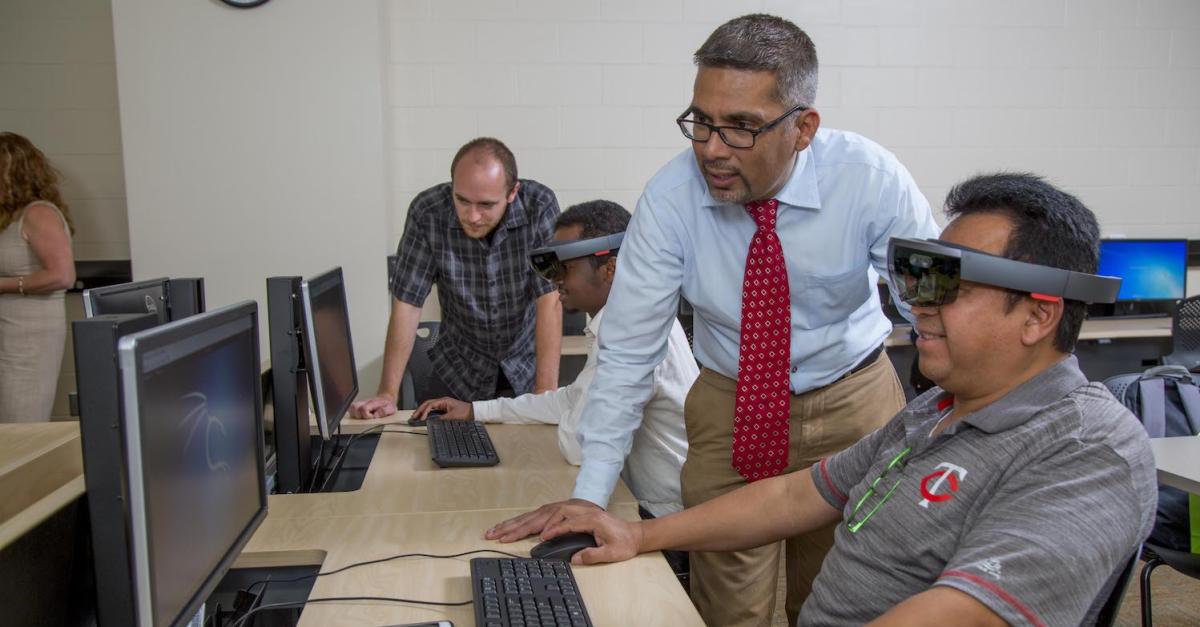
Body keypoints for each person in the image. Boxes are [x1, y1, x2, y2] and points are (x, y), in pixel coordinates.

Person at [542, 173, 1157, 627]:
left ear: (1037, 315)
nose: (918, 302)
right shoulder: (935, 412)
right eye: (917, 274)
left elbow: (965, 613)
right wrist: (637, 536)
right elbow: (796, 494)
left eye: (948, 283)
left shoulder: (1089, 449)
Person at [484, 14, 939, 626]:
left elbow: (940, 308)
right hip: (732, 404)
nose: (713, 150)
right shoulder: (670, 201)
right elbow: (626, 355)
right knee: (728, 608)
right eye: (702, 122)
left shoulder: (873, 181)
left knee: (841, 599)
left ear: (803, 128)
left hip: (852, 402)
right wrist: (589, 501)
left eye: (742, 128)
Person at [412, 200, 698, 524]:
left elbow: (579, 445)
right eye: (550, 268)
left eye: (564, 267)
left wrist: (575, 416)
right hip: (634, 500)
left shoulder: (637, 337)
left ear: (611, 268)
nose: (553, 280)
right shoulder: (625, 321)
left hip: (661, 518)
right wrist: (477, 410)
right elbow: (570, 401)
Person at [351, 137, 562, 419]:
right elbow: (407, 304)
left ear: (512, 192)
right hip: (459, 370)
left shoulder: (539, 206)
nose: (472, 216)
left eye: (486, 204)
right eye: (462, 200)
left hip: (524, 369)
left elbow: (549, 299)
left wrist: (543, 396)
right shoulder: (427, 213)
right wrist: (388, 393)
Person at [0, 132, 77, 423]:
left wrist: (4, 285)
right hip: (8, 331)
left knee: (20, 421)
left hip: (29, 336)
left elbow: (62, 275)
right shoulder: (10, 217)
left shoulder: (39, 213)